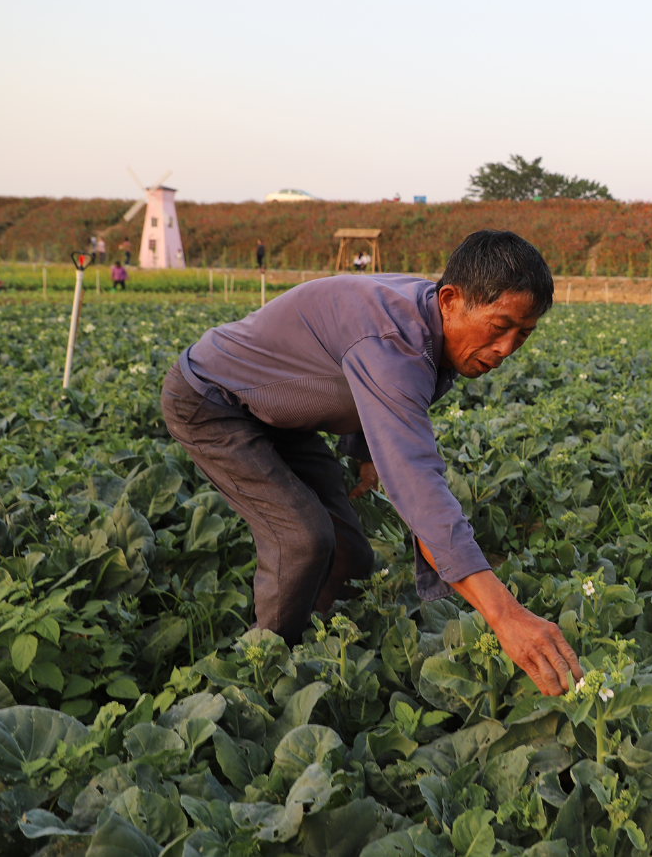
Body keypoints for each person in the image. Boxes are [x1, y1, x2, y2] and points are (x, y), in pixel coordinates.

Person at [160, 230, 582, 695]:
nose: (507, 349)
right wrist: (505, 616)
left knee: (351, 555)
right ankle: (260, 681)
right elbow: (419, 487)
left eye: (523, 334)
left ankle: (318, 657)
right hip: (212, 401)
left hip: (281, 415)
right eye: (500, 326)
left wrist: (364, 453)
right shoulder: (395, 342)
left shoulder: (425, 319)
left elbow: (360, 373)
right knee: (302, 539)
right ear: (450, 299)